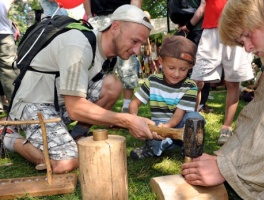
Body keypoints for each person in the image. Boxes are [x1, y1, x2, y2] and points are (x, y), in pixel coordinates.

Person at [2, 5, 161, 174]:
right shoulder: (78, 45)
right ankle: (8, 136)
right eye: (134, 41)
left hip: (57, 102)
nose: (137, 51)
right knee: (65, 162)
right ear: (115, 27)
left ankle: (76, 136)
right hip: (31, 102)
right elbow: (76, 109)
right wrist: (127, 120)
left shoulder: (109, 53)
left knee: (113, 85)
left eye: (141, 44)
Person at [181, 0, 264, 199]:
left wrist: (228, 168)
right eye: (241, 43)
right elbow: (260, 107)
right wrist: (225, 159)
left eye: (246, 35)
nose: (246, 48)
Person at [129, 36, 205, 159]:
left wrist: (167, 127)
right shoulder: (152, 81)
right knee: (156, 137)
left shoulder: (190, 86)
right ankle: (156, 148)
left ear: (190, 67)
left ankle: (189, 149)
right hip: (158, 127)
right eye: (171, 68)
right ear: (161, 62)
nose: (176, 74)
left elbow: (178, 115)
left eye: (183, 69)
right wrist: (133, 120)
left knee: (195, 118)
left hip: (178, 125)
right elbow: (134, 103)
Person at [189, 0, 254, 145]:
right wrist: (188, 26)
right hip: (211, 30)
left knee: (233, 82)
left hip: (237, 27)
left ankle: (226, 127)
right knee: (197, 81)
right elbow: (203, 5)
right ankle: (192, 124)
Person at [83, 0, 142, 113]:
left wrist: (135, 20)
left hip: (126, 17)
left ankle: (126, 107)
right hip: (99, 18)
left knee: (127, 64)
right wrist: (89, 16)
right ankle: (98, 109)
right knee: (96, 63)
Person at [177, 0, 212, 113]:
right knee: (199, 69)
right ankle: (197, 104)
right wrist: (188, 26)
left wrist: (187, 26)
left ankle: (196, 104)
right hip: (197, 30)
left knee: (196, 70)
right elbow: (202, 6)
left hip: (193, 30)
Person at [0, 0, 18, 108]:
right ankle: (17, 108)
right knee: (9, 71)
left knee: (10, 71)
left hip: (4, 34)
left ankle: (17, 107)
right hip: (5, 34)